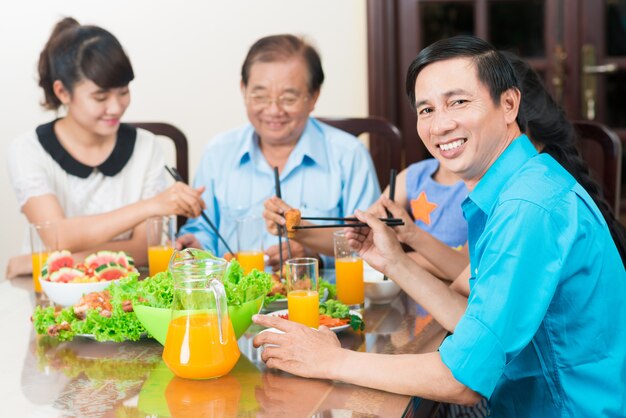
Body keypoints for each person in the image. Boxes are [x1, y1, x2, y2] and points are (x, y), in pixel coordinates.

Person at [253, 35, 626, 417]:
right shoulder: (522, 183)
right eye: (426, 110)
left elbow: (461, 380)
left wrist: (331, 361)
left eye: (458, 102)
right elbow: (477, 327)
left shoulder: (527, 206)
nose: (440, 124)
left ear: (509, 104)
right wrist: (395, 261)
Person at [7, 17, 205, 272]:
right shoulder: (28, 149)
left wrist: (46, 262)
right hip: (51, 297)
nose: (115, 107)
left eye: (123, 92)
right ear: (62, 92)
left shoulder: (146, 146)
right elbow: (57, 237)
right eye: (100, 97)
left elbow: (147, 250)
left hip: (128, 293)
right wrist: (151, 206)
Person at [177, 34, 380, 268]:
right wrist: (195, 245)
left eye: (288, 98)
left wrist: (311, 257)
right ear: (243, 90)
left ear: (313, 96)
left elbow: (372, 245)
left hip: (319, 298)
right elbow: (203, 231)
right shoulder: (218, 152)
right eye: (260, 96)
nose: (273, 110)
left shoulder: (349, 155)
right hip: (236, 300)